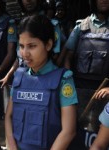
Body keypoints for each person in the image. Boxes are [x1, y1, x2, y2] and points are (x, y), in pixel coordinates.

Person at [5, 15, 78, 150]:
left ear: (48, 44)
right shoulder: (18, 76)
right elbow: (8, 117)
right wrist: (12, 146)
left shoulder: (63, 79)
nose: (24, 53)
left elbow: (69, 131)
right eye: (21, 46)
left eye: (32, 46)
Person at [59, 0, 109, 149]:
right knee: (77, 134)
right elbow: (68, 55)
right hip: (78, 90)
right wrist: (69, 79)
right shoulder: (81, 26)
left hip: (104, 92)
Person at [0, 0, 64, 87]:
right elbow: (19, 58)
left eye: (32, 46)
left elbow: (55, 56)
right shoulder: (21, 27)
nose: (28, 1)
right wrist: (8, 75)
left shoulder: (51, 25)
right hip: (23, 78)